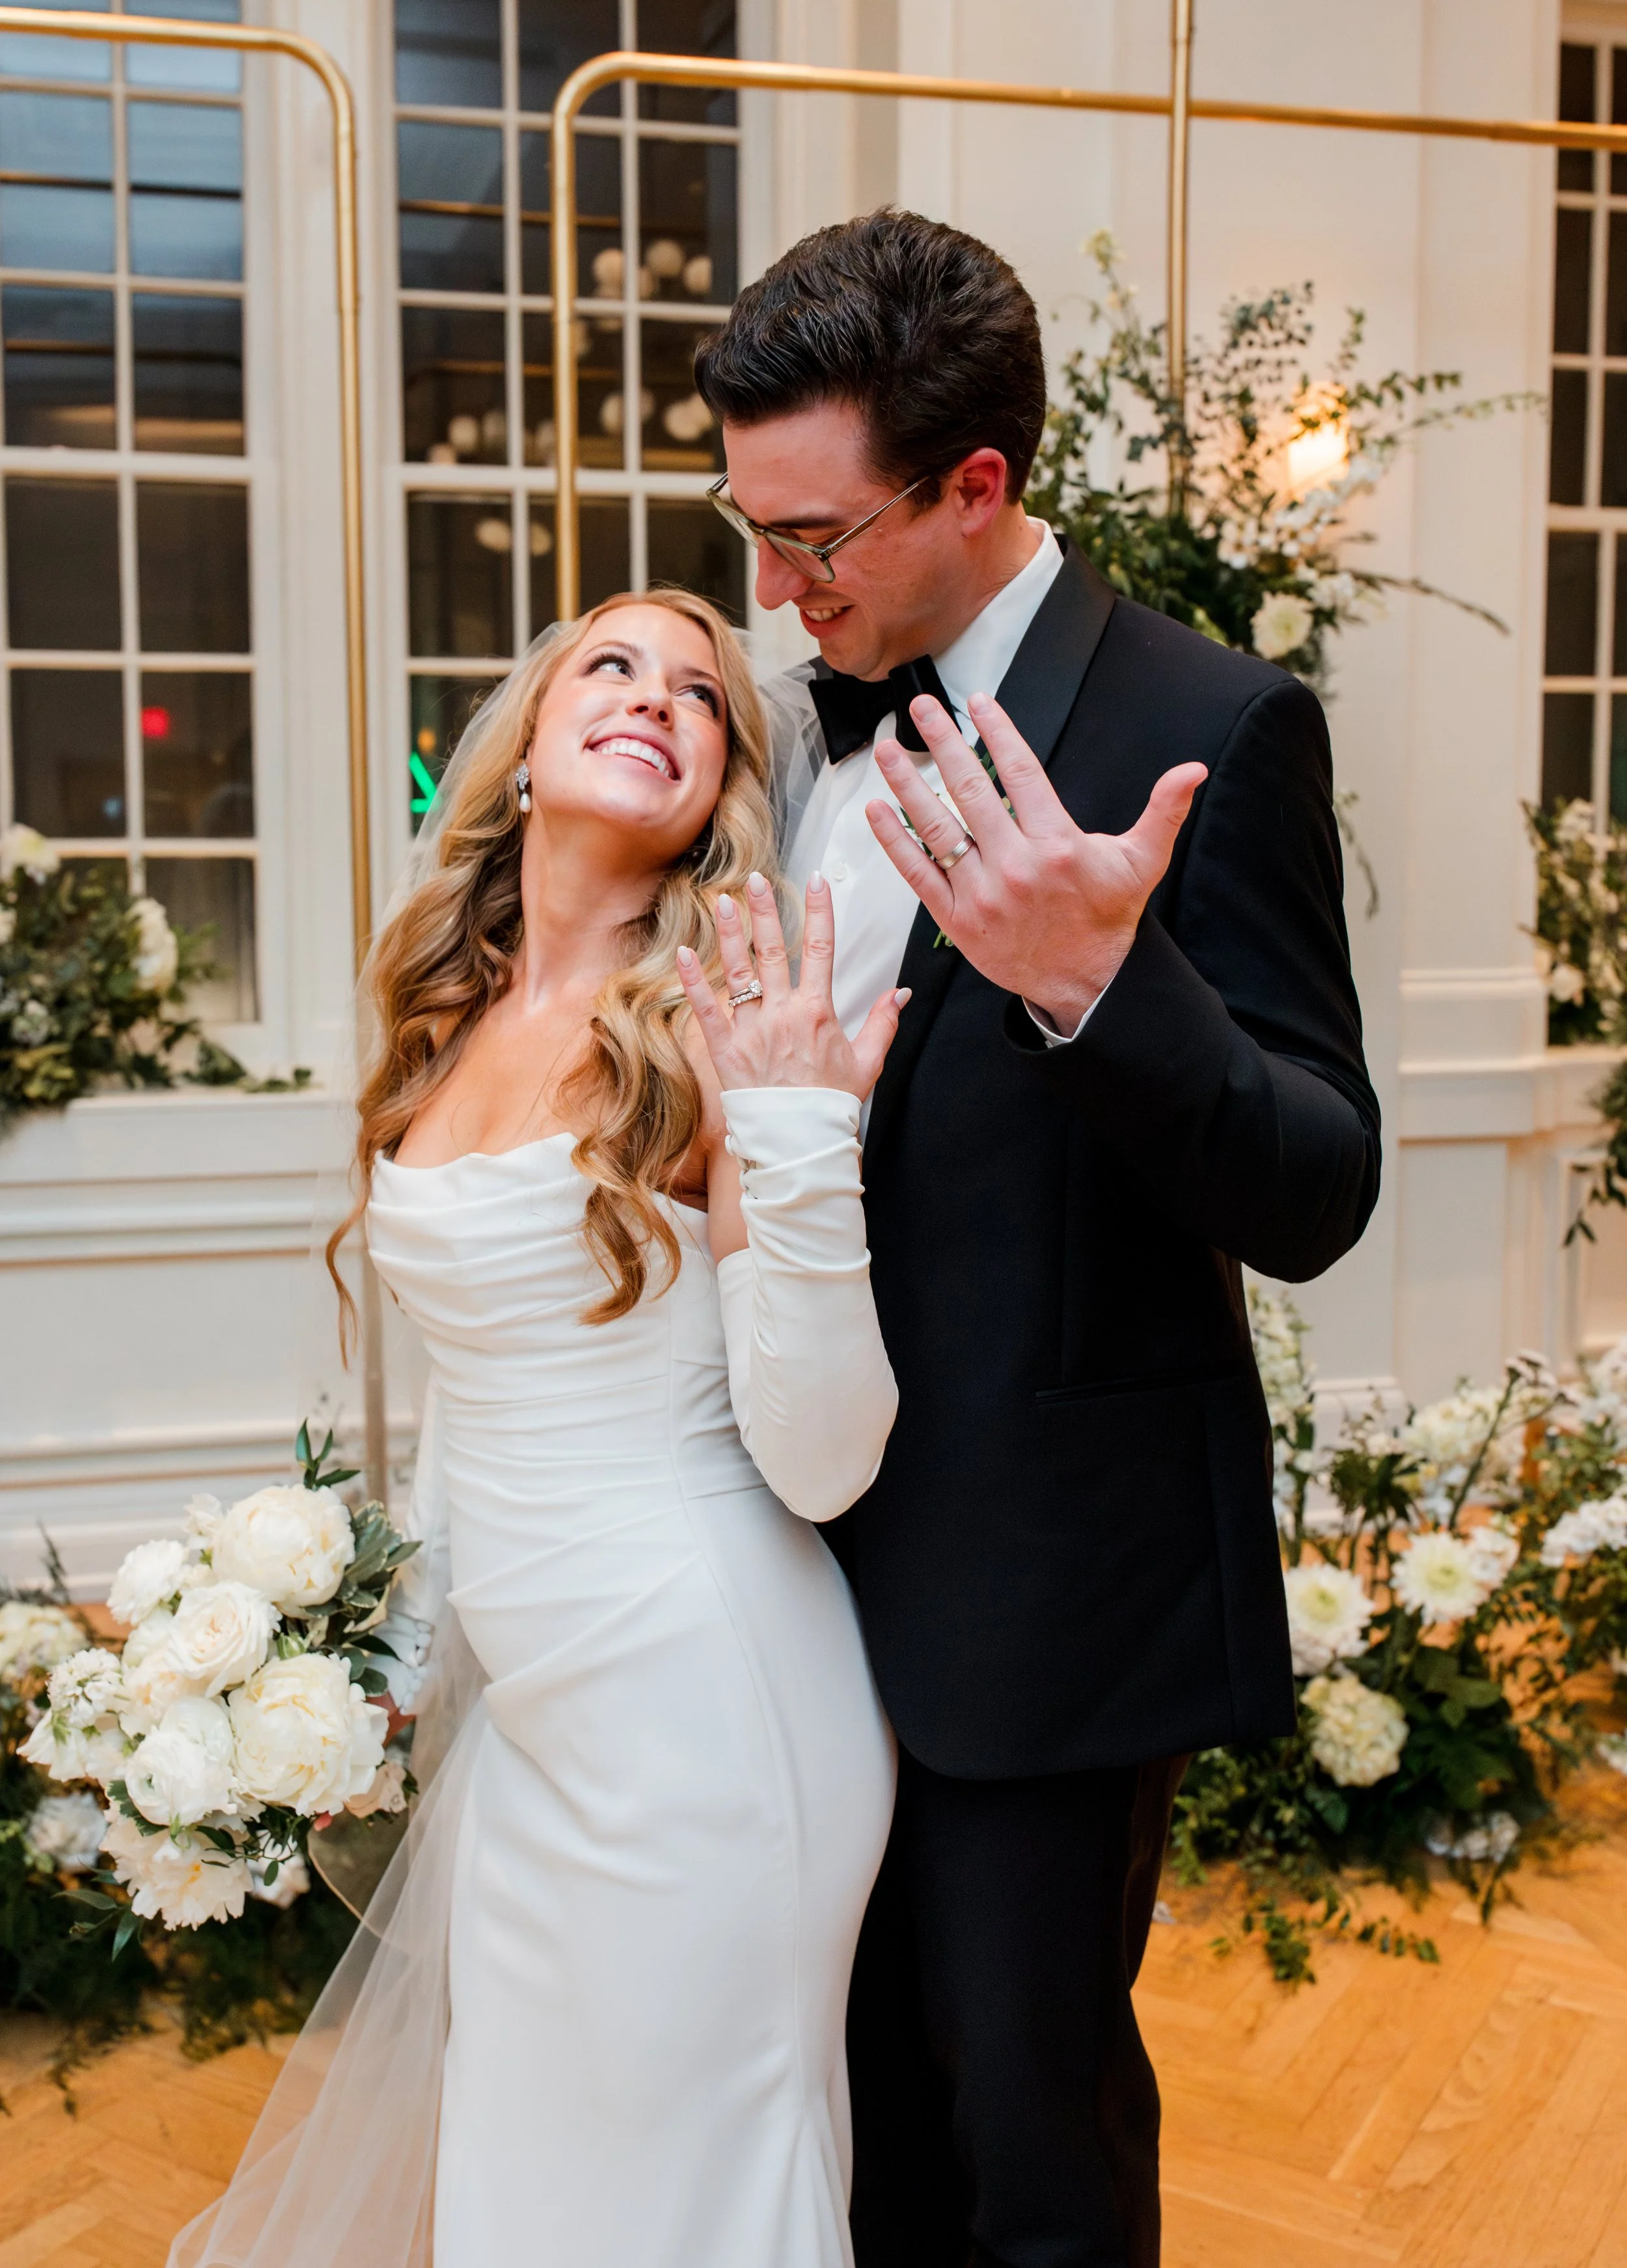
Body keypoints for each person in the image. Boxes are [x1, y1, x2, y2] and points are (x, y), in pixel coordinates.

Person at [694, 210, 1382, 2268]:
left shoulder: (1207, 716)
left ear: (975, 486)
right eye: (746, 526)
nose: (770, 585)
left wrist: (1103, 991)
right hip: (776, 1576)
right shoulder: (789, 711)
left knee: (1026, 2132)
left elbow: (1314, 1186)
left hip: (1044, 1594)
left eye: (812, 537)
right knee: (850, 2104)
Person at [170, 589, 905, 2268]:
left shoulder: (722, 1020)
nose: (659, 699)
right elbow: (470, 1391)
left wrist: (798, 1141)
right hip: (523, 1720)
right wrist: (408, 1635)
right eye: (616, 665)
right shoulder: (449, 1012)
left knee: (683, 2194)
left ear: (724, 783)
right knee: (534, 2185)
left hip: (704, 1703)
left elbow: (825, 1457)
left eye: (706, 697)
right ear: (526, 739)